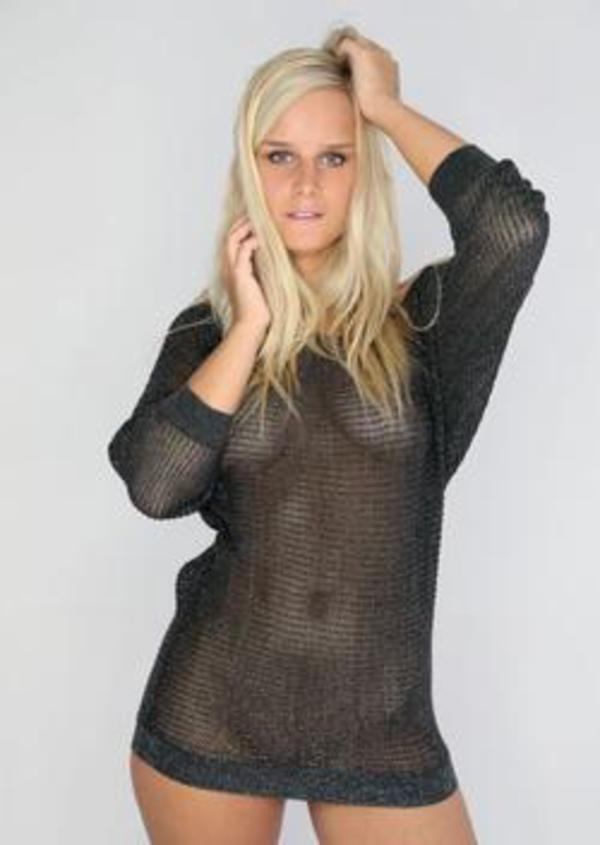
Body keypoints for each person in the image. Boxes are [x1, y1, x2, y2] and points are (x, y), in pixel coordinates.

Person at [107, 24, 550, 845]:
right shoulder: (209, 333)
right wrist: (251, 328)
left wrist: (385, 107)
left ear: (363, 171)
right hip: (214, 713)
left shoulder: (424, 324)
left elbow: (512, 228)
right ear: (249, 170)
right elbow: (156, 487)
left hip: (382, 728)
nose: (305, 183)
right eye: (279, 156)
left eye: (335, 157)